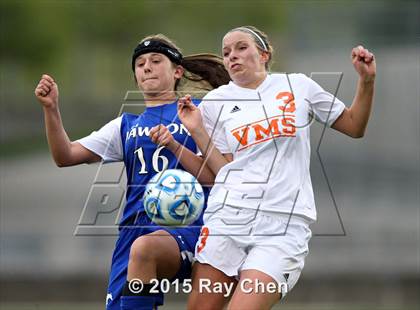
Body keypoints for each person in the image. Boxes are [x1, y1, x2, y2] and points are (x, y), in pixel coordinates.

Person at [175, 26, 376, 310]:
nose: (232, 55)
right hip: (226, 220)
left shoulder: (298, 86)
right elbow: (221, 172)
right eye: (226, 52)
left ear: (264, 54)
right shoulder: (214, 103)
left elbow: (355, 126)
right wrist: (197, 131)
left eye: (241, 47)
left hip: (283, 226)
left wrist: (366, 81)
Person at [34, 34, 229, 310]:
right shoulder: (125, 125)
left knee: (146, 249)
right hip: (133, 233)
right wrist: (51, 109)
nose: (146, 67)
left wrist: (175, 146)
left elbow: (218, 174)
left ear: (177, 71)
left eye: (155, 60)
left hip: (190, 228)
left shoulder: (198, 113)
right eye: (139, 64)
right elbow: (64, 155)